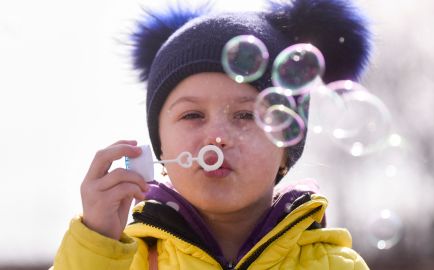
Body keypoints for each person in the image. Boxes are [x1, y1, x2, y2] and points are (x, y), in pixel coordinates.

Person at [52, 0, 372, 269]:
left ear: (287, 146)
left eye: (246, 115)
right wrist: (95, 245)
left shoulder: (337, 265)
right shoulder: (124, 259)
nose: (217, 136)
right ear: (160, 145)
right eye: (192, 115)